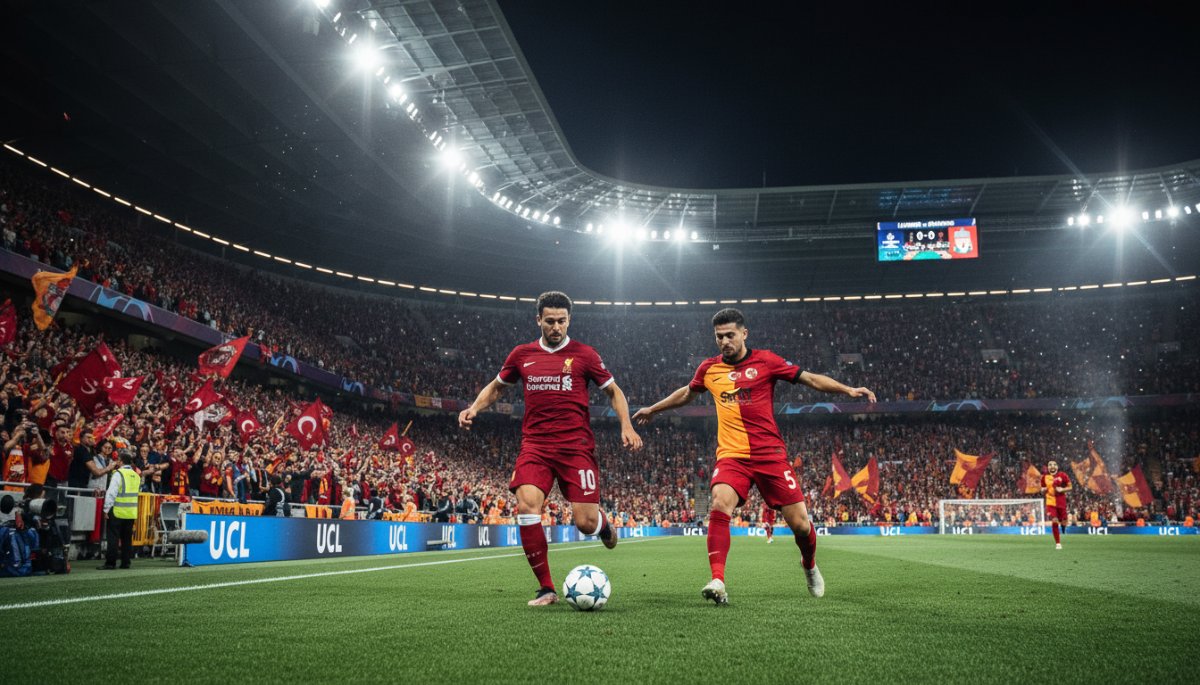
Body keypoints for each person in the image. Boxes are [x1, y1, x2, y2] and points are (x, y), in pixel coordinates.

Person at [633, 308, 875, 605]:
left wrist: (847, 390)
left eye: (730, 335)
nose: (724, 341)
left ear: (744, 334)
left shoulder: (766, 361)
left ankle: (809, 564)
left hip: (770, 455)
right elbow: (686, 393)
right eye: (719, 337)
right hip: (732, 455)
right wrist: (653, 409)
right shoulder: (709, 369)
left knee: (801, 525)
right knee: (719, 502)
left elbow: (810, 379)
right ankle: (718, 579)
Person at [458, 291, 643, 606]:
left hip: (576, 448)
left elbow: (614, 391)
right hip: (536, 446)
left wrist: (626, 425)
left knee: (585, 523)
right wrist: (474, 407)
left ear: (569, 320)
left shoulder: (585, 354)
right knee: (527, 507)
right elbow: (497, 387)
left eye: (561, 321)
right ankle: (546, 588)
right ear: (538, 320)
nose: (556, 327)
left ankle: (603, 525)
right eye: (550, 321)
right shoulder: (522, 354)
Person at [99, 449, 141, 570]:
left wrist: (106, 509)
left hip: (117, 510)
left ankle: (110, 563)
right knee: (127, 539)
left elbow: (111, 493)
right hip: (131, 512)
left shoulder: (118, 474)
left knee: (113, 538)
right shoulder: (136, 475)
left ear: (121, 461)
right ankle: (126, 562)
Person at [1040, 460, 1072, 550]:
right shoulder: (1044, 477)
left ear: (1057, 467)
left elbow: (1070, 487)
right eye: (1050, 465)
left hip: (1061, 502)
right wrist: (1043, 490)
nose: (1052, 466)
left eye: (1054, 464)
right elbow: (1042, 489)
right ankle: (1058, 543)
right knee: (1054, 521)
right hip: (1050, 502)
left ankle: (1063, 527)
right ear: (1048, 467)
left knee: (1064, 520)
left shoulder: (1063, 475)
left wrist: (1062, 489)